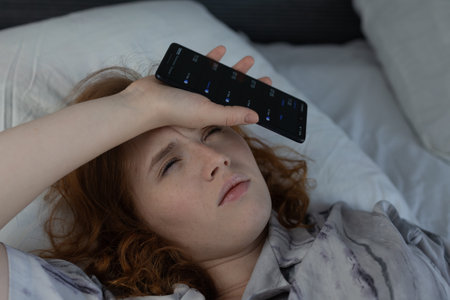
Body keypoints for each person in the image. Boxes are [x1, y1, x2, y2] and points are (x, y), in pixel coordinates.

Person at [0, 46, 449, 300]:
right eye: (170, 163)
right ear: (133, 221)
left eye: (214, 130)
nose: (215, 158)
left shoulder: (371, 234)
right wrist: (134, 108)